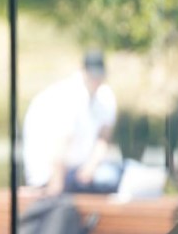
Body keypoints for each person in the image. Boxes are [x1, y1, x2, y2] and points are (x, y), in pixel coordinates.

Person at [22, 50, 121, 195]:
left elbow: (103, 137)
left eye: (99, 74)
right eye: (92, 74)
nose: (96, 79)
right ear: (83, 71)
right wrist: (55, 190)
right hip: (51, 176)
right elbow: (60, 146)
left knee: (128, 173)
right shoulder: (69, 96)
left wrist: (91, 166)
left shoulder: (106, 96)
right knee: (108, 178)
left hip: (81, 171)